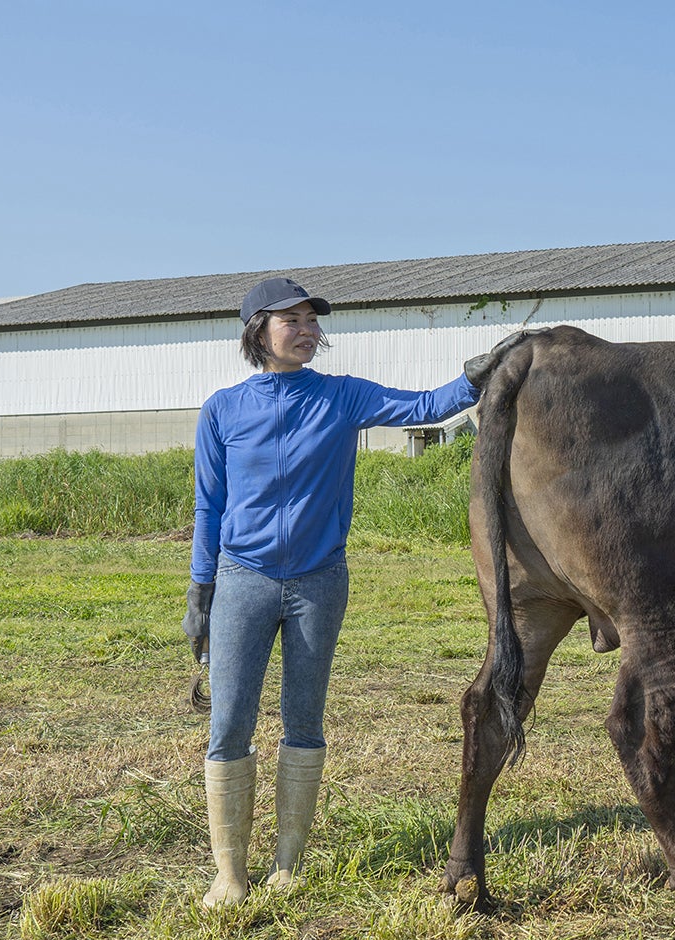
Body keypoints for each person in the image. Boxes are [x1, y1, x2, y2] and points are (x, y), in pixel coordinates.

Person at [183, 276, 478, 908]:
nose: (309, 330)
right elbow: (209, 507)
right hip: (242, 579)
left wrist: (482, 374)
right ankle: (230, 874)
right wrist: (200, 592)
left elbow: (427, 406)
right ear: (257, 331)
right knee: (228, 724)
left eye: (313, 321)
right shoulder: (224, 409)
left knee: (304, 719)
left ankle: (288, 861)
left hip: (319, 581)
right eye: (293, 321)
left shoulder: (342, 398)